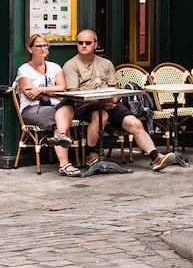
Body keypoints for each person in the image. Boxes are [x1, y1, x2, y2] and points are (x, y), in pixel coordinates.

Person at [62, 30, 176, 172]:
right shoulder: (71, 65)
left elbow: (114, 89)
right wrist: (101, 102)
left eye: (88, 42)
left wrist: (113, 100)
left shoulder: (106, 63)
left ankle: (156, 157)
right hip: (85, 105)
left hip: (109, 103)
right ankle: (90, 153)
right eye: (80, 43)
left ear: (96, 44)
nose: (83, 45)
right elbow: (74, 95)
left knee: (134, 123)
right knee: (100, 116)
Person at [15, 34, 81, 177]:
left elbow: (63, 88)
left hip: (56, 106)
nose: (42, 49)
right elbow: (30, 94)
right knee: (60, 121)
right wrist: (53, 91)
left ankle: (61, 137)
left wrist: (41, 89)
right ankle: (65, 164)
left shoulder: (54, 67)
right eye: (38, 46)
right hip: (32, 109)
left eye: (45, 45)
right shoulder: (24, 70)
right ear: (30, 49)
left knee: (67, 106)